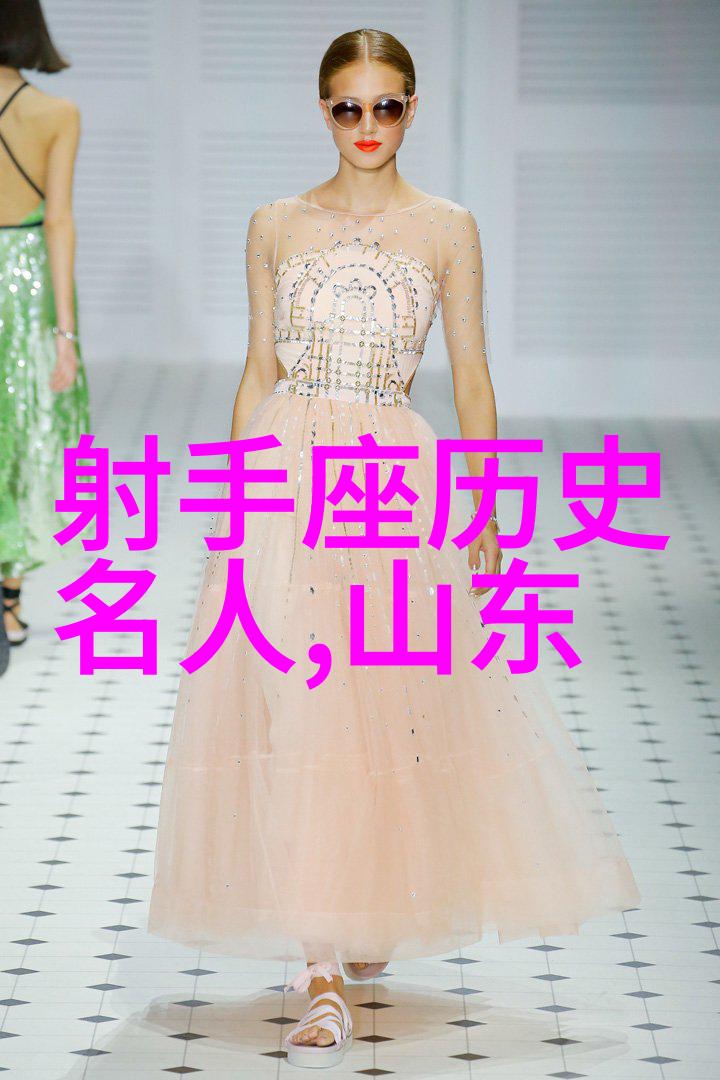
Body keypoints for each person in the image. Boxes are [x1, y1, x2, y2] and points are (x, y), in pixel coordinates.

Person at [148, 27, 641, 1069]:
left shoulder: (446, 229)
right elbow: (257, 367)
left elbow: (472, 378)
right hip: (287, 474)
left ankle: (357, 907)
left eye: (384, 106)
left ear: (413, 108)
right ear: (321, 110)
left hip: (390, 483)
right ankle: (321, 965)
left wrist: (486, 506)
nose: (365, 125)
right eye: (346, 106)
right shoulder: (276, 223)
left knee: (384, 707)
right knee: (300, 705)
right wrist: (235, 496)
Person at [0, 0, 91, 646]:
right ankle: (8, 602)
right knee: (24, 432)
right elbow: (57, 220)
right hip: (27, 283)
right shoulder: (56, 114)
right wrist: (66, 334)